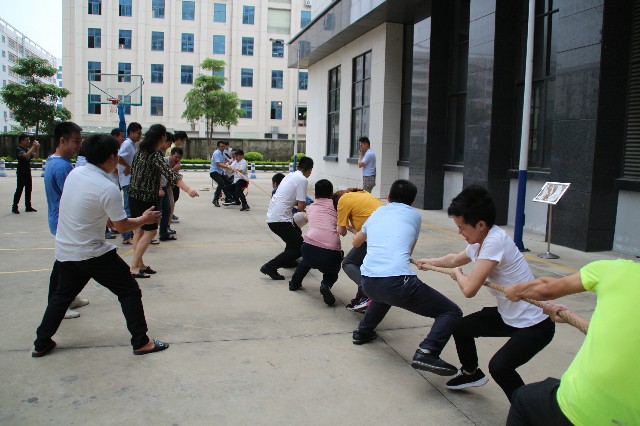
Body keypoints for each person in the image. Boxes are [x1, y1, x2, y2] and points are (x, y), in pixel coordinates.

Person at [32, 133, 169, 358]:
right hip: (91, 252)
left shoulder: (76, 173)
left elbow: (95, 211)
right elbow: (122, 226)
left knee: (61, 296)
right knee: (129, 290)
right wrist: (144, 219)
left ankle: (41, 342)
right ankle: (141, 342)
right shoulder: (107, 187)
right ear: (112, 157)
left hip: (66, 249)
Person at [416, 185, 555, 401]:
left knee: (500, 367)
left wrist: (458, 275)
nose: (460, 232)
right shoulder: (481, 240)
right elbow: (454, 259)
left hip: (534, 325)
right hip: (510, 316)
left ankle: (526, 411)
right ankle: (470, 373)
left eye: (462, 227)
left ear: (480, 224)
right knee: (460, 327)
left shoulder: (494, 242)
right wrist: (429, 262)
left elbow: (469, 289)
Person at [504, 259, 640, 426]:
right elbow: (617, 334)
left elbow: (547, 288)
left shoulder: (616, 269)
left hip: (582, 410)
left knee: (522, 398)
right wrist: (573, 317)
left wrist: (516, 290)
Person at [352, 179, 463, 377]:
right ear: (412, 201)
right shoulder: (414, 216)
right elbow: (408, 250)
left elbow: (356, 242)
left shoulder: (377, 212)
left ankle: (363, 332)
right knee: (451, 311)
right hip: (396, 282)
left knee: (382, 295)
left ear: (388, 197)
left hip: (367, 281)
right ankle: (427, 351)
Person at [127, 124, 199, 278]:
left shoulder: (140, 152)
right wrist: (188, 190)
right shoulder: (155, 155)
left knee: (138, 230)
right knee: (151, 231)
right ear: (161, 138)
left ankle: (140, 264)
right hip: (146, 199)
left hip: (133, 196)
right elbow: (171, 175)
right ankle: (133, 267)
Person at [43, 121, 89, 320]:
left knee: (69, 264)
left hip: (61, 221)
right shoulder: (62, 167)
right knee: (63, 266)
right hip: (65, 223)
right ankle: (58, 304)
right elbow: (72, 197)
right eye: (76, 142)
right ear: (62, 141)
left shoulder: (54, 161)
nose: (79, 146)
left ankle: (69, 298)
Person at [288, 179, 342, 306]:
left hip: (308, 247)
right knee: (332, 272)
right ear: (331, 194)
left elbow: (306, 218)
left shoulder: (311, 207)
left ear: (315, 194)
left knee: (306, 262)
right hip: (331, 251)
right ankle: (325, 284)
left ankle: (294, 283)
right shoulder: (337, 206)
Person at [261, 156, 314, 280]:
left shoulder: (290, 176)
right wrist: (313, 210)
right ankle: (270, 267)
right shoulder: (302, 179)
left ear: (298, 166)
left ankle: (288, 261)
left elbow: (291, 199)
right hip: (280, 220)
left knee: (295, 236)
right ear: (309, 170)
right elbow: (301, 206)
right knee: (300, 247)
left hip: (274, 217)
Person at [334, 188, 383, 312]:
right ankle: (360, 299)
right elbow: (363, 219)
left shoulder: (343, 200)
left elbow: (341, 231)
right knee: (362, 265)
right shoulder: (364, 194)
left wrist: (340, 222)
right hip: (386, 233)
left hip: (374, 237)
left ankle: (369, 291)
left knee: (348, 263)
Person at [117, 122, 143, 245]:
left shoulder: (132, 145)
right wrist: (128, 167)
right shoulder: (127, 144)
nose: (140, 136)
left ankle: (129, 233)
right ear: (131, 133)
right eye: (138, 133)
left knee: (131, 207)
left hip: (131, 181)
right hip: (127, 181)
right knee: (128, 207)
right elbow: (118, 157)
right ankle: (126, 235)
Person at [12, 133, 40, 214]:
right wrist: (33, 147)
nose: (28, 141)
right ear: (21, 141)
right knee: (19, 189)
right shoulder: (19, 149)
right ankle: (14, 207)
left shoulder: (27, 149)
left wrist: (37, 148)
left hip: (27, 171)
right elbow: (26, 155)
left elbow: (36, 157)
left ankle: (28, 206)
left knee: (28, 189)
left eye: (28, 140)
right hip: (21, 171)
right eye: (26, 140)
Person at [169, 131, 188, 223]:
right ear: (179, 139)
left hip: (174, 175)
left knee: (174, 196)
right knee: (173, 196)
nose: (183, 142)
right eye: (183, 140)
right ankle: (169, 215)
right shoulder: (172, 148)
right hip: (171, 176)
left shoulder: (175, 148)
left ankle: (170, 213)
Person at [209, 140, 233, 207]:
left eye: (224, 146)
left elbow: (228, 159)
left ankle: (228, 198)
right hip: (214, 172)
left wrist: (234, 162)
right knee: (221, 183)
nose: (223, 148)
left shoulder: (222, 153)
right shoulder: (216, 153)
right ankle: (215, 199)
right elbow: (218, 164)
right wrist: (227, 167)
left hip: (220, 172)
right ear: (217, 147)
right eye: (221, 146)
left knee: (227, 183)